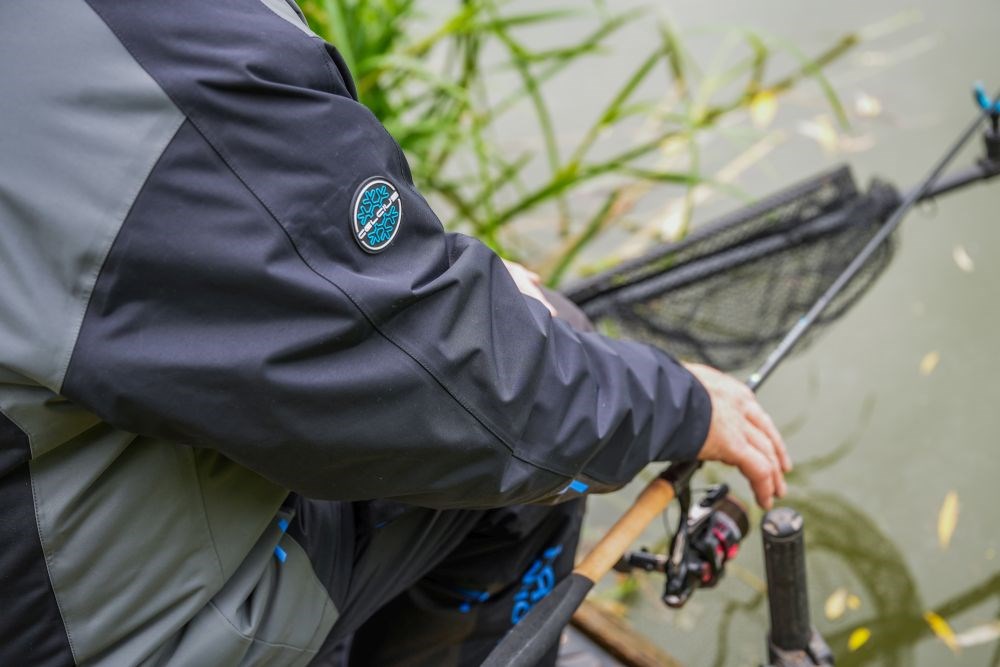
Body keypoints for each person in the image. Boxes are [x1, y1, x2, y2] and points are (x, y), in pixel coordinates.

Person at [0, 1, 789, 665]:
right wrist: (681, 402)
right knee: (529, 465)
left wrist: (386, 287)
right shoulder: (160, 61)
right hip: (91, 636)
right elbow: (474, 398)